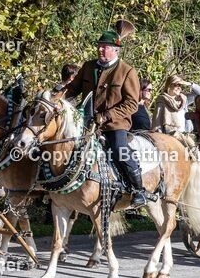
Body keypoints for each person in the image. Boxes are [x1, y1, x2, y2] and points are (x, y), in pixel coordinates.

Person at [62, 30, 151, 207]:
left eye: (105, 47)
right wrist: (56, 96)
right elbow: (72, 90)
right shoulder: (88, 67)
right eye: (99, 46)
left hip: (115, 124)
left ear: (116, 50)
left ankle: (138, 190)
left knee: (119, 149)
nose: (100, 50)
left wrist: (106, 116)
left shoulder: (127, 71)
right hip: (86, 122)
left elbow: (132, 104)